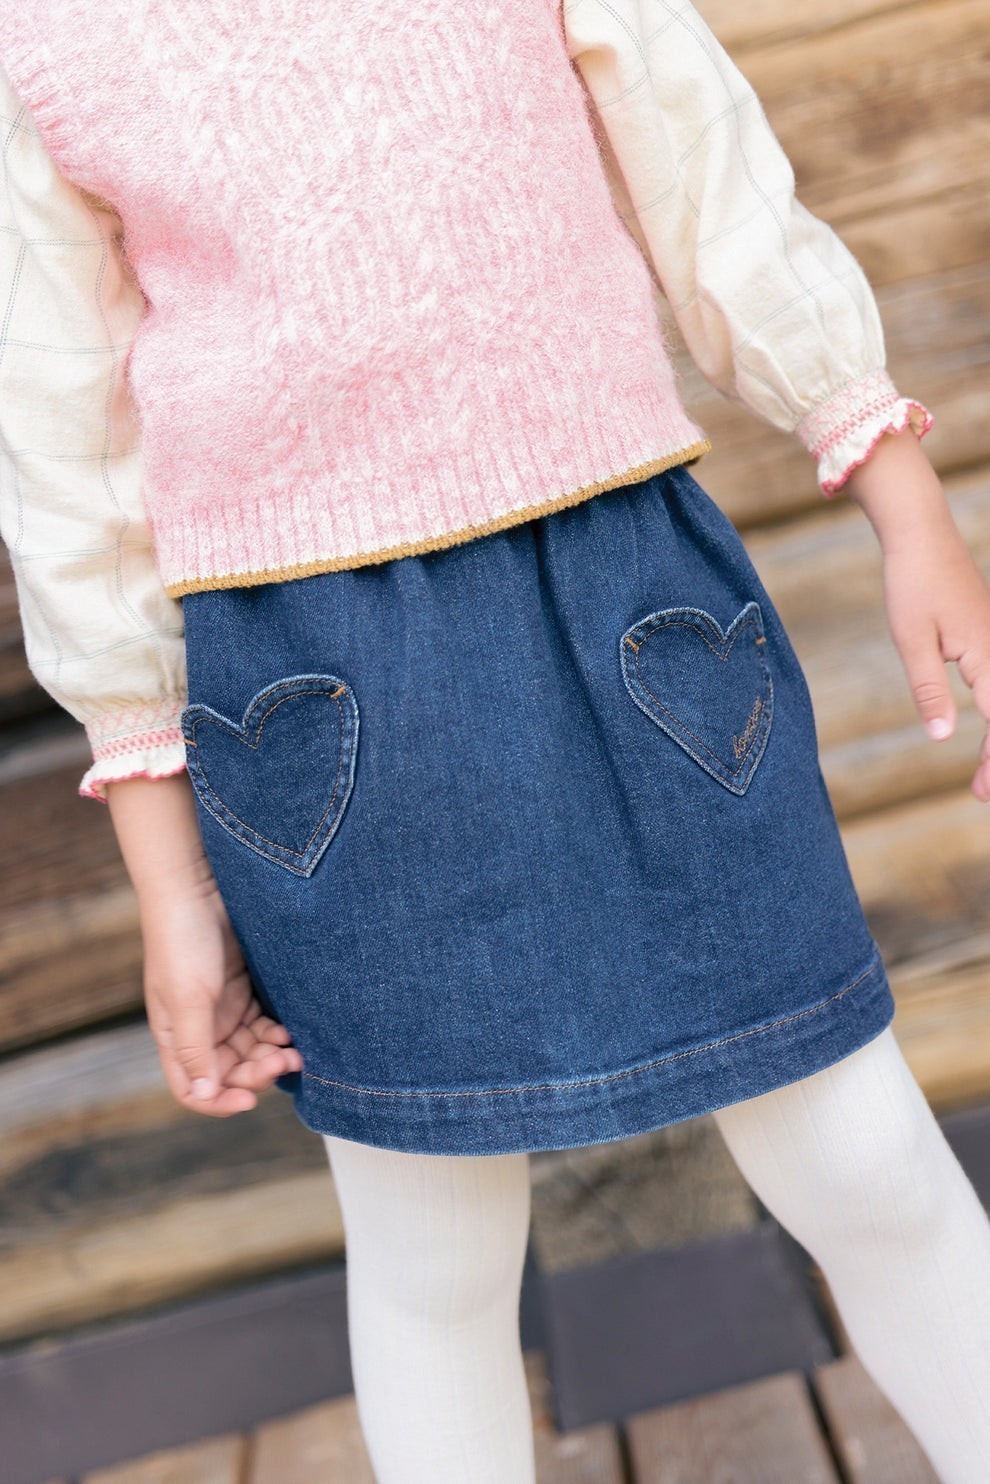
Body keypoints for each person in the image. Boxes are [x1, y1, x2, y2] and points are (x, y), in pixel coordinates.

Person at [1, 1, 989, 1479]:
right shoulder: (47, 42)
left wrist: (905, 502)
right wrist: (171, 878)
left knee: (866, 1161)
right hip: (319, 704)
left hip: (627, 610)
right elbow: (66, 447)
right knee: (431, 1253)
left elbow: (706, 177)